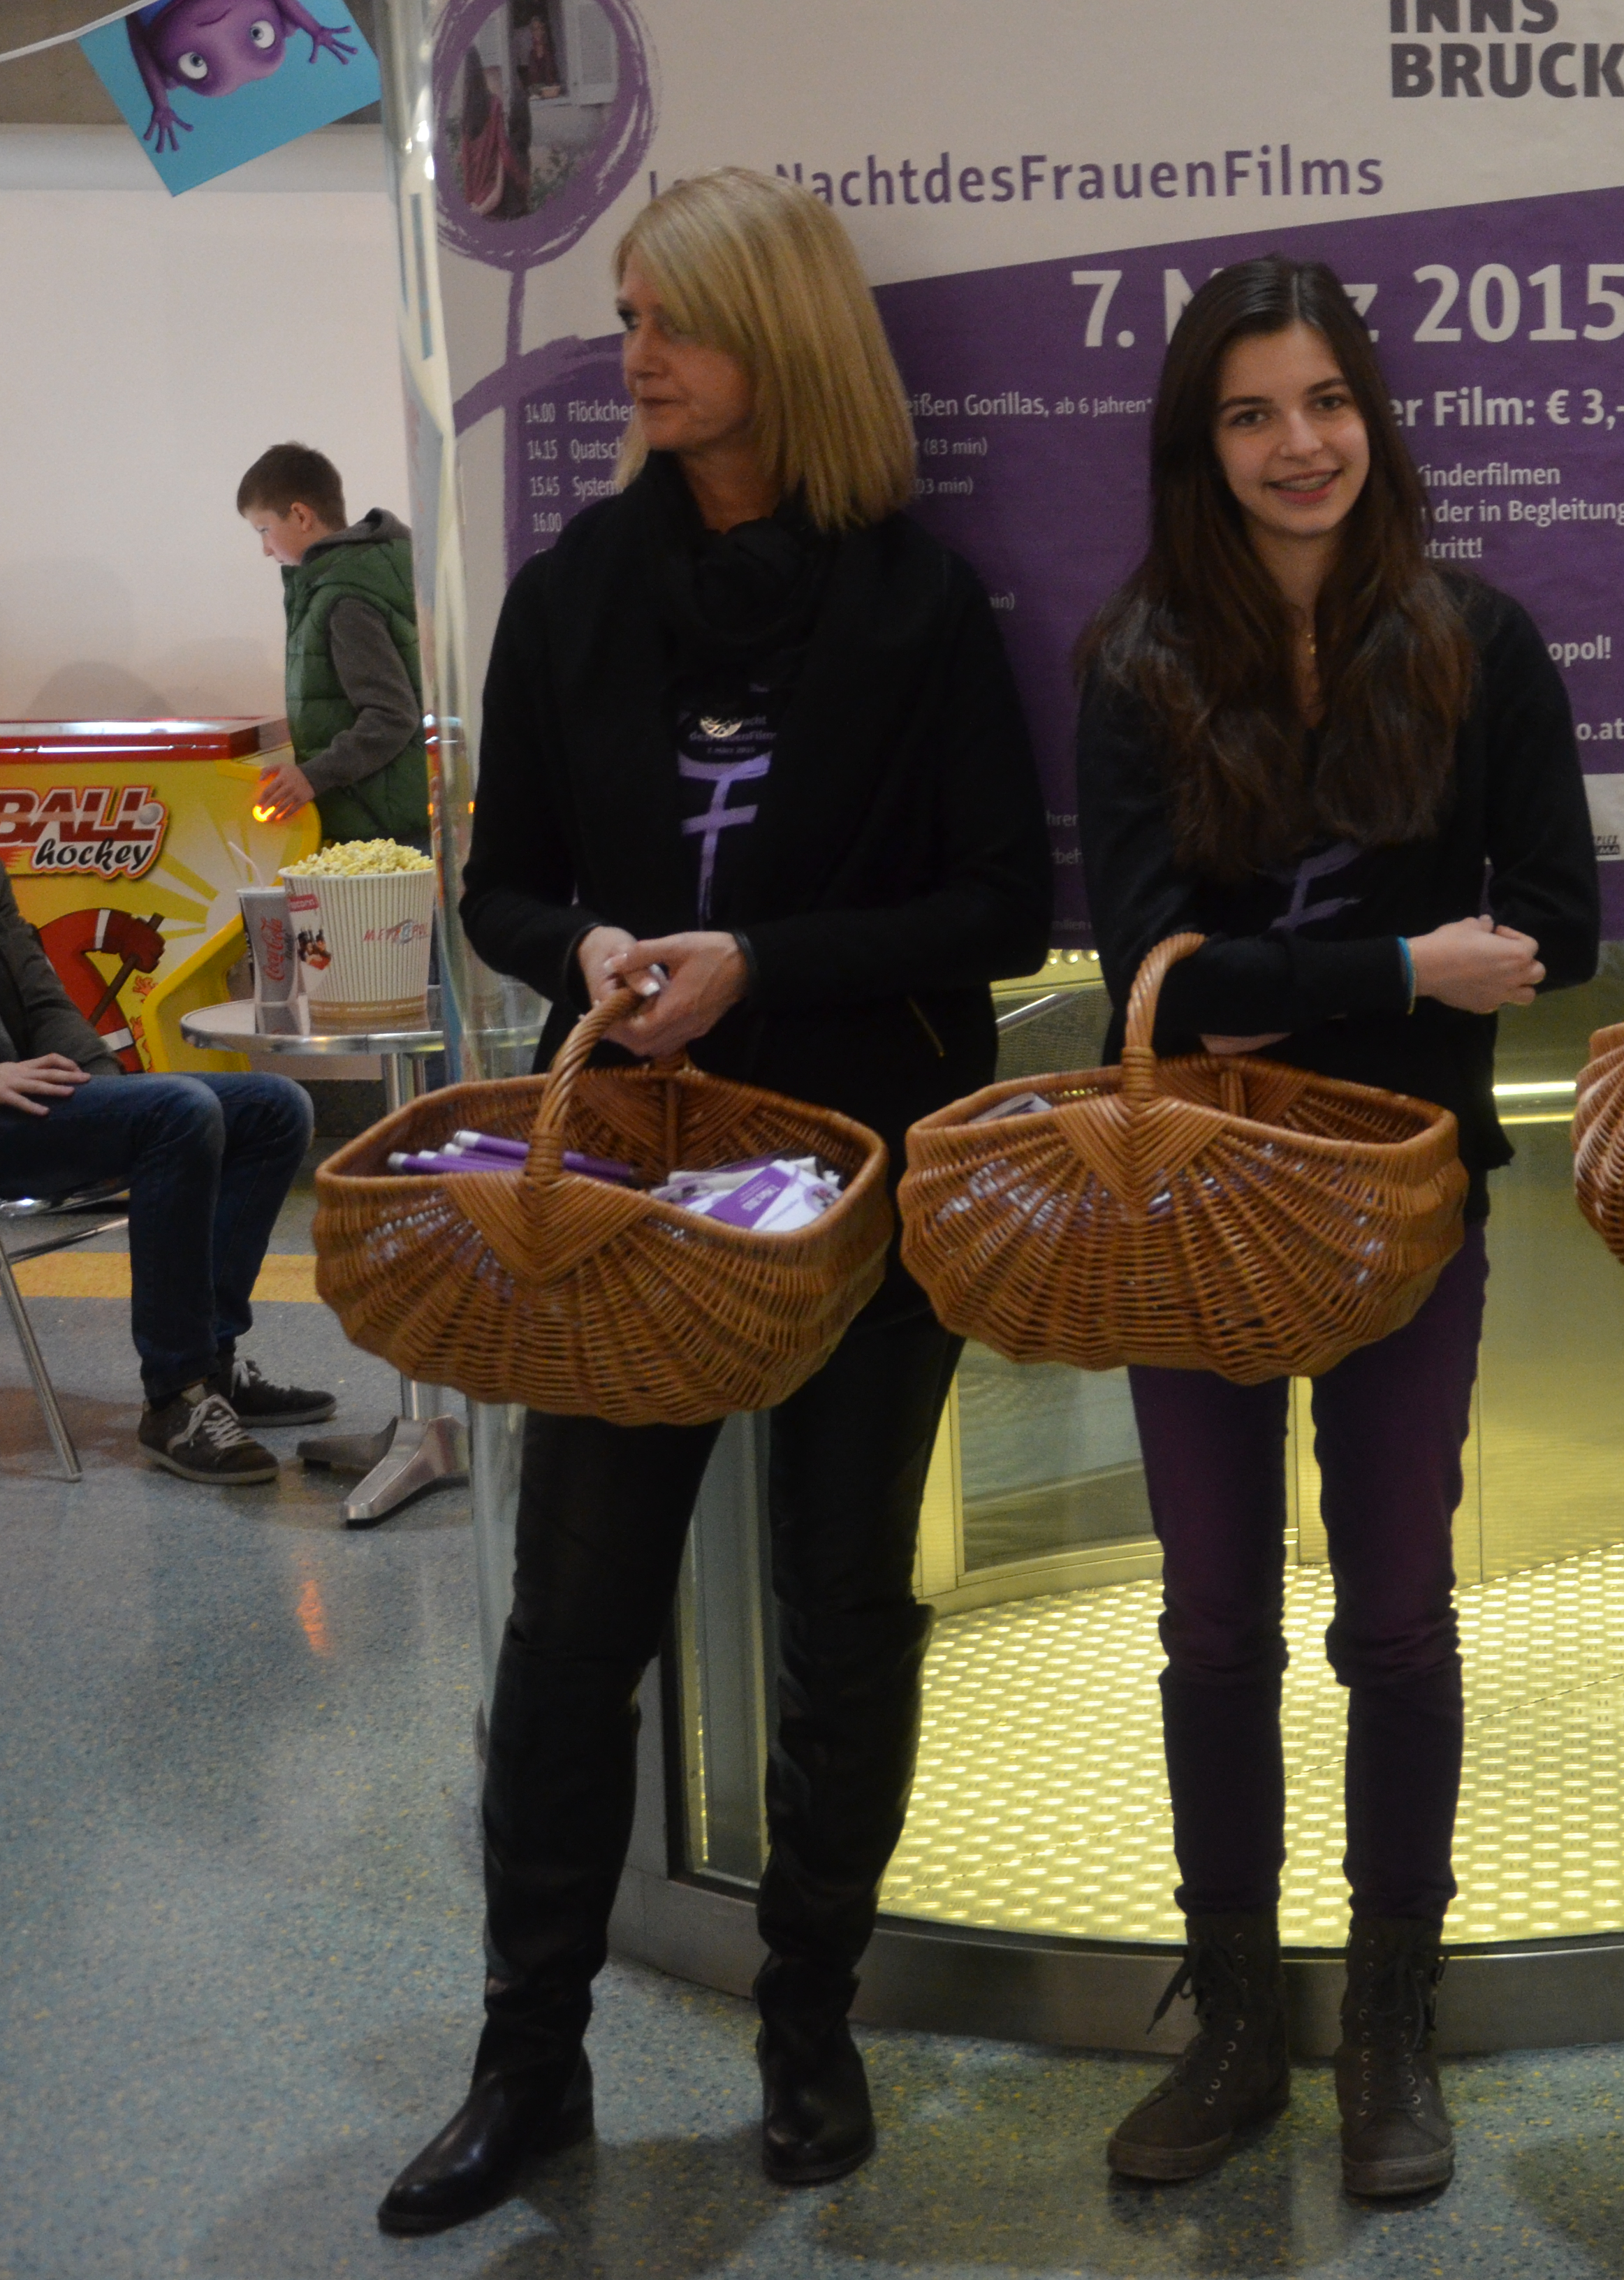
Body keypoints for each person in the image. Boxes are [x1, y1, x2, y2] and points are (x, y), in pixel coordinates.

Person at [375, 168, 1052, 2235]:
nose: (632, 351)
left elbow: (1002, 909)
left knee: (845, 1612)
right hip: (628, 1197)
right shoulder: (575, 588)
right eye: (624, 311)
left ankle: (809, 2028)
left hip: (858, 1180)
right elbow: (499, 880)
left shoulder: (917, 605)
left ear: (783, 337)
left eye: (673, 317)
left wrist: (767, 963)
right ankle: (525, 2069)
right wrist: (577, 949)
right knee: (573, 1627)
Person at [1076, 254, 1598, 2200]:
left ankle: (1390, 2028)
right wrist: (1399, 961)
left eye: (1324, 403)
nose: (1298, 446)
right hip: (1189, 1203)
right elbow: (1151, 974)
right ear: (1200, 446)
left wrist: (1287, 980)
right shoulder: (1137, 658)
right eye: (1250, 413)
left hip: (1404, 1202)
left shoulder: (1480, 638)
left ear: (1370, 417)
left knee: (1394, 1614)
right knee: (1213, 1619)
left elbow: (1556, 931)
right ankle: (1231, 2027)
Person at [0, 627, 328, 1483]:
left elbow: (42, 994)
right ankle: (177, 1396)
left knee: (273, 1108)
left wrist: (100, 1089)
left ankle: (214, 1362)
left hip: (0, 1108)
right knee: (180, 1112)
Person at [236, 444, 430, 849]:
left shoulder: (345, 598)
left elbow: (392, 715)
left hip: (378, 833)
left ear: (302, 515)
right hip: (391, 817)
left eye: (264, 530)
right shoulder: (369, 571)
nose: (265, 549)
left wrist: (312, 776)